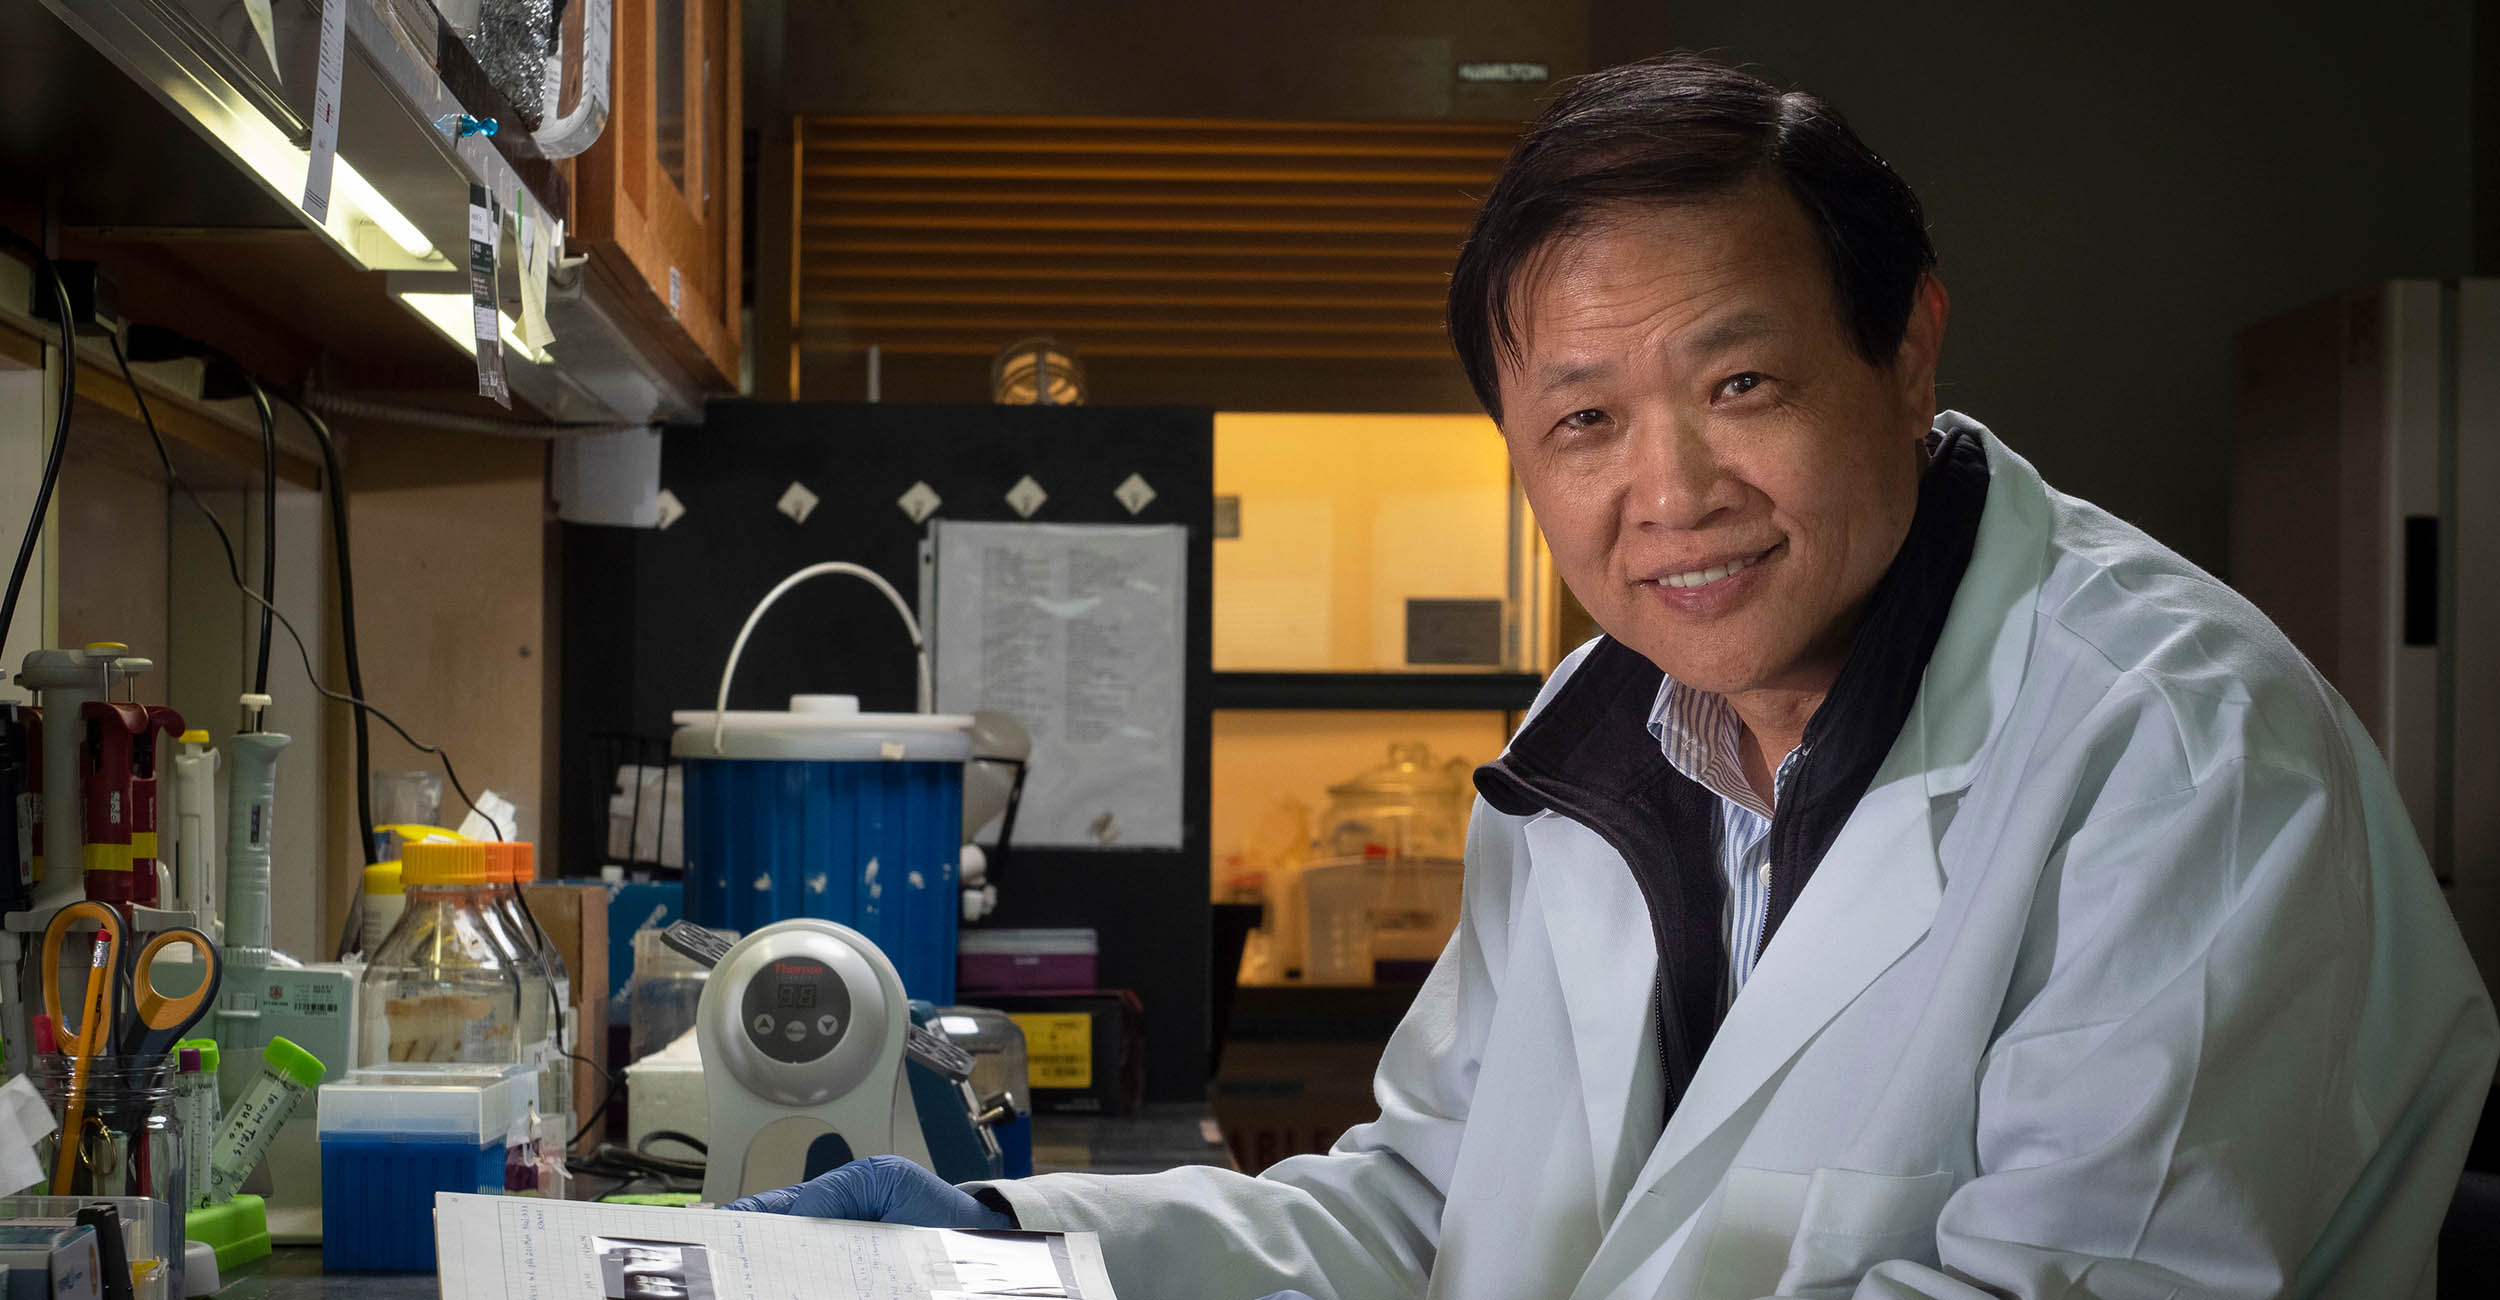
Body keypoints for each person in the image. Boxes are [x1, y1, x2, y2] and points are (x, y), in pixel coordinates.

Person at [726, 53, 2498, 1299]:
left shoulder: (2176, 753)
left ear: (1908, 348)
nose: (1671, 494)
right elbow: (1432, 1214)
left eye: (1741, 386)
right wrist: (1000, 1249)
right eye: (1582, 421)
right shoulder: (1601, 739)